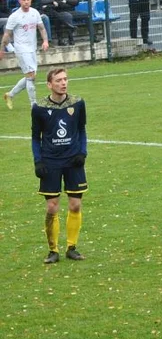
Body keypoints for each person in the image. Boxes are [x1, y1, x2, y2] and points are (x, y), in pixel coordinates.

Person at [30, 68, 88, 264]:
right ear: (49, 84)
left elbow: (81, 130)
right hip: (50, 161)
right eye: (58, 80)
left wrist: (82, 152)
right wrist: (38, 161)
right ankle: (53, 250)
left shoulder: (77, 103)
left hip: (73, 160)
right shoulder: (39, 107)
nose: (64, 83)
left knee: (75, 204)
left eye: (65, 79)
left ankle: (71, 247)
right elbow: (35, 138)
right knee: (52, 207)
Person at [2, 0, 48, 108]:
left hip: (32, 48)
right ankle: (34, 104)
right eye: (24, 0)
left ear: (31, 0)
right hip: (21, 49)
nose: (26, 2)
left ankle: (10, 94)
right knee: (31, 75)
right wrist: (1, 48)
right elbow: (7, 34)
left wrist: (45, 41)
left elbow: (41, 28)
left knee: (30, 76)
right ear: (19, 1)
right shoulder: (15, 16)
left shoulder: (35, 13)